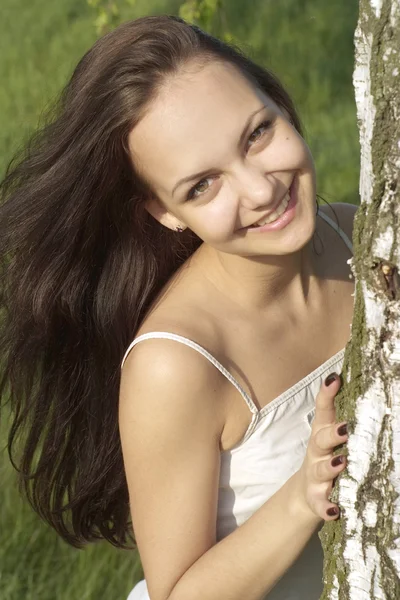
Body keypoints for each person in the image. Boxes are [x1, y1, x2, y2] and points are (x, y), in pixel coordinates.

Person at [0, 14, 357, 600]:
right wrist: (303, 494)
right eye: (202, 186)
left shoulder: (358, 240)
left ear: (280, 103)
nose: (262, 190)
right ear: (163, 211)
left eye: (257, 134)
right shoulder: (177, 365)